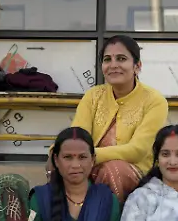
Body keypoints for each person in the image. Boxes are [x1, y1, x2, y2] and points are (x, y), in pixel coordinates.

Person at [47, 35, 169, 204]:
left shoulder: (154, 100)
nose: (113, 65)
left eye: (121, 59)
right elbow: (76, 135)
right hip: (89, 165)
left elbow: (137, 150)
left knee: (112, 171)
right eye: (107, 59)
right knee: (61, 162)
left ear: (137, 66)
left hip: (133, 170)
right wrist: (58, 151)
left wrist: (86, 156)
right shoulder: (93, 96)